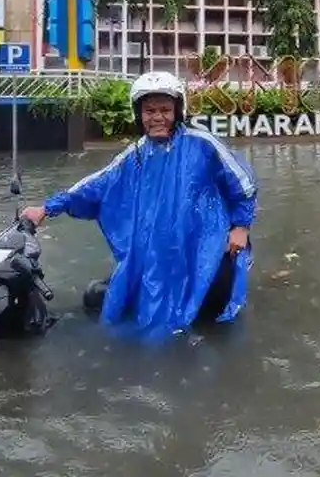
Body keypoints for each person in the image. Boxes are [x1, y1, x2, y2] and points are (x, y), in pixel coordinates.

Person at [20, 71, 258, 339]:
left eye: (165, 109)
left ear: (178, 110)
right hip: (159, 252)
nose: (157, 117)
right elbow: (92, 187)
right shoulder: (134, 156)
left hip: (204, 244)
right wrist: (47, 208)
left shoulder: (202, 143)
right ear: (139, 114)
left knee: (212, 317)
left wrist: (241, 227)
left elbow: (243, 183)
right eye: (149, 110)